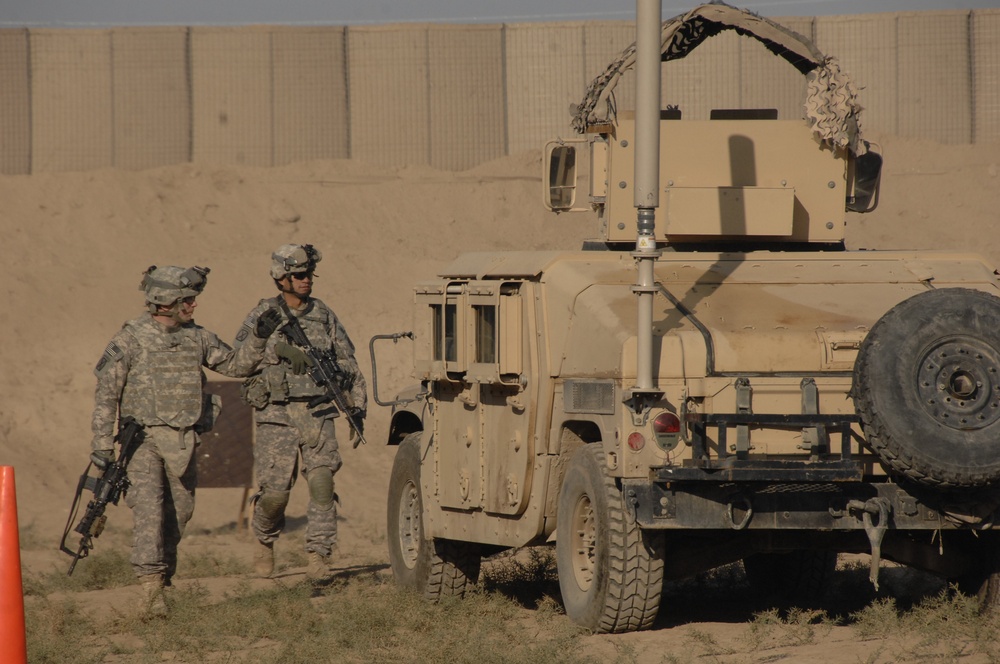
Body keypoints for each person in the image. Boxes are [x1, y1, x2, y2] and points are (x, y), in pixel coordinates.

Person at [91, 265, 281, 616]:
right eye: (187, 300)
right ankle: (150, 589)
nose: (193, 306)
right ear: (164, 301)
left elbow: (237, 366)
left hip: (184, 440)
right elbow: (107, 392)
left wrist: (258, 337)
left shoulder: (198, 337)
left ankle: (164, 579)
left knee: (179, 512)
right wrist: (102, 442)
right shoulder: (130, 338)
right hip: (143, 440)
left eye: (193, 299)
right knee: (149, 511)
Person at [235, 243, 367, 581]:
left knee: (322, 482)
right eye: (298, 275)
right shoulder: (263, 314)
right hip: (275, 413)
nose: (306, 280)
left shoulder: (323, 314)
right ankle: (264, 539)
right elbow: (240, 364)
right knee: (276, 495)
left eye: (308, 274)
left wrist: (357, 404)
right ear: (281, 279)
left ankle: (318, 556)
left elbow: (347, 361)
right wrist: (269, 344)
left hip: (318, 410)